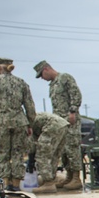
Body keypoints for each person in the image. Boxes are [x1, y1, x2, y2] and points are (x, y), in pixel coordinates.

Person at [0, 59, 36, 191]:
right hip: (19, 122)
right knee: (18, 153)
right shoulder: (21, 82)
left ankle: (5, 184)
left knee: (3, 154)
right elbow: (30, 106)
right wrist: (29, 124)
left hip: (1, 123)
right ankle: (16, 184)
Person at [33, 60, 83, 191]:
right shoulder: (52, 85)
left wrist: (72, 112)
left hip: (70, 119)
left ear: (46, 69)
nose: (42, 79)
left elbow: (76, 95)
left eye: (41, 75)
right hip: (60, 121)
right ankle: (69, 177)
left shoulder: (65, 78)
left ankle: (77, 178)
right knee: (64, 150)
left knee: (72, 147)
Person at [29, 111, 71, 193]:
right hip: (63, 124)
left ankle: (48, 183)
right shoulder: (28, 117)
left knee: (42, 155)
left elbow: (31, 146)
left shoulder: (22, 122)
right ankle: (50, 180)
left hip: (52, 126)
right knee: (54, 155)